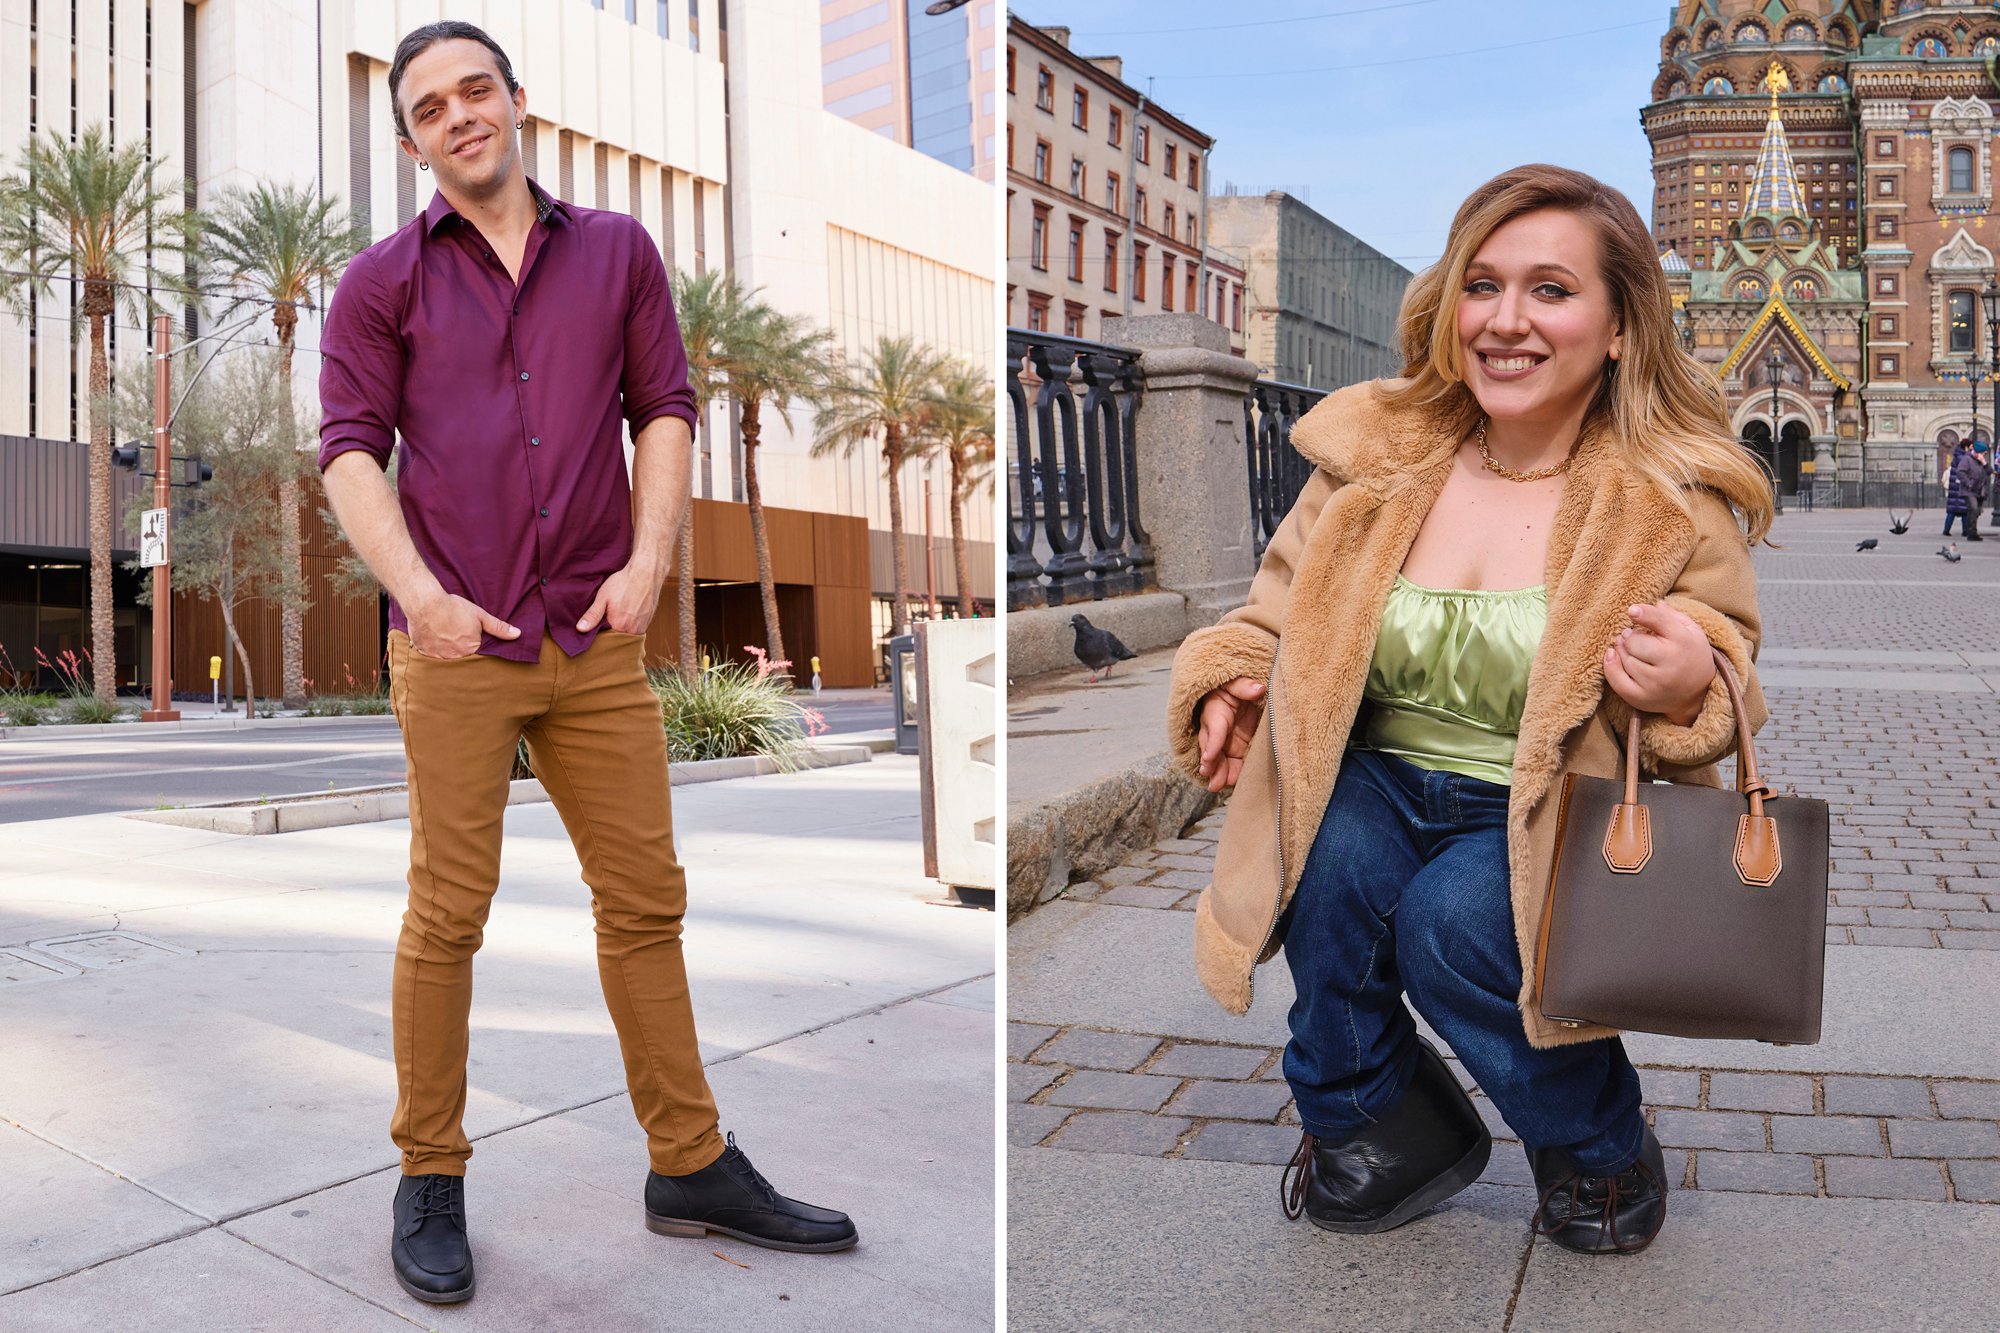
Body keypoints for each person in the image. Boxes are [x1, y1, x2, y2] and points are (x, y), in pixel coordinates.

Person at [318, 21, 855, 1306]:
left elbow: (661, 408)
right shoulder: (380, 283)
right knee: (447, 916)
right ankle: (430, 1175)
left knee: (646, 905)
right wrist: (423, 601)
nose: (460, 116)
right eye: (432, 107)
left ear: (515, 102)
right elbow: (348, 451)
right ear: (411, 141)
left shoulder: (614, 251)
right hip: (458, 649)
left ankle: (690, 1162)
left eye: (477, 90)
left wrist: (649, 564)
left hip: (596, 644)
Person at [1166, 164, 1771, 1256]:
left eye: (1548, 290)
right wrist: (1233, 679)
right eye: (1480, 285)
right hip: (1377, 777)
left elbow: (1723, 655)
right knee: (1321, 876)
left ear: (1619, 326)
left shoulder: (1667, 493)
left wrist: (1688, 677)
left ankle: (1595, 1139)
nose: (1504, 320)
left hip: (1549, 807)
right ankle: (1377, 1125)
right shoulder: (1372, 456)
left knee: (1451, 926)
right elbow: (1270, 610)